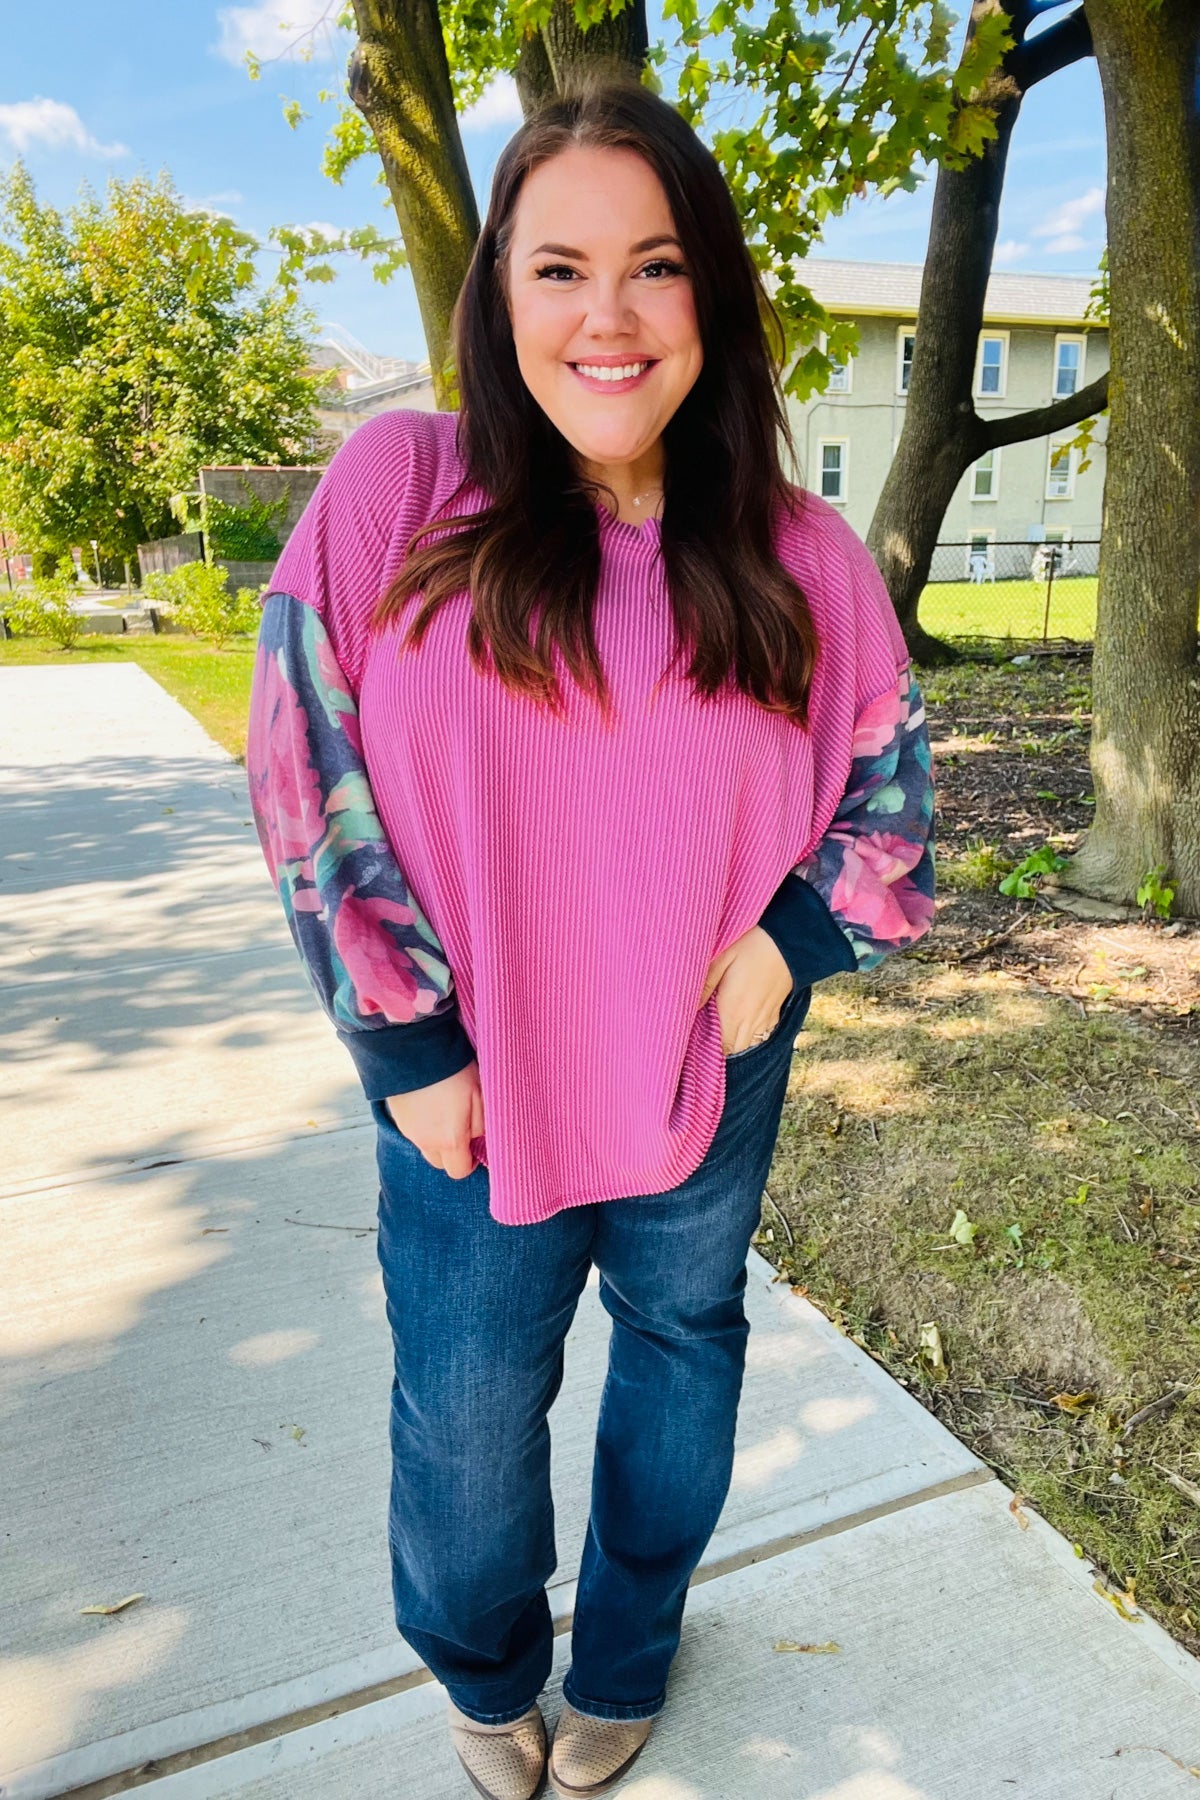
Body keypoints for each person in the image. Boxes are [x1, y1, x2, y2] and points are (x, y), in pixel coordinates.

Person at [247, 71, 935, 1800]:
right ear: (499, 295)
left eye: (656, 265)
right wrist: (405, 1046)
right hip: (475, 1079)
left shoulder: (799, 552)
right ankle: (486, 1671)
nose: (608, 317)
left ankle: (628, 1651)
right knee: (470, 1417)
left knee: (682, 1362)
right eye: (559, 269)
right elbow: (300, 767)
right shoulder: (404, 487)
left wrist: (788, 943)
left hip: (708, 1063)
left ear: (712, 290)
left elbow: (892, 799)